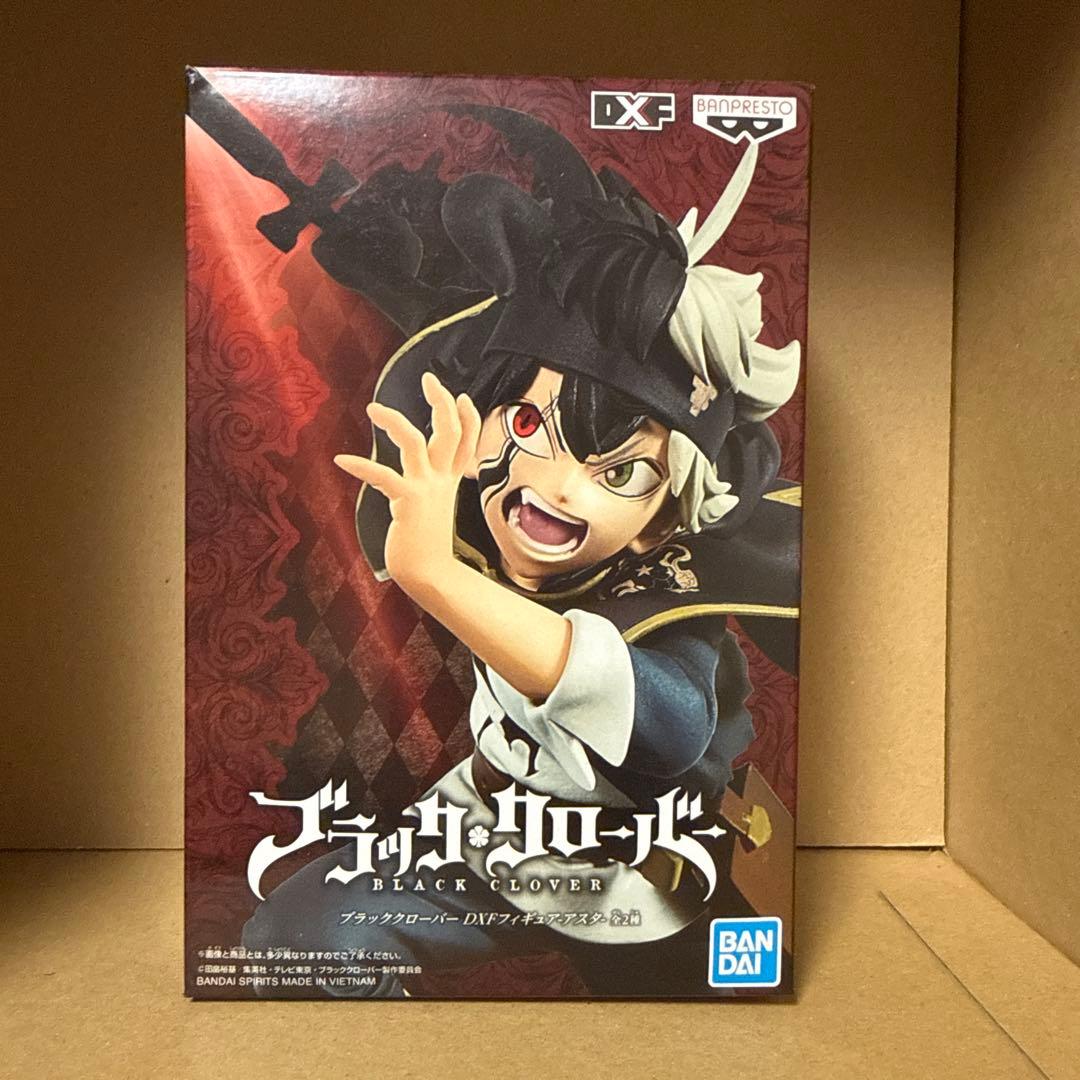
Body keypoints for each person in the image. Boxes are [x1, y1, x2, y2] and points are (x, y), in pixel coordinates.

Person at [243, 103, 802, 997]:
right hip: (484, 839)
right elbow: (471, 337)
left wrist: (436, 576)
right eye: (534, 428)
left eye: (621, 474)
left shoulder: (669, 597)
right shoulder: (482, 505)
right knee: (298, 935)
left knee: (719, 1014)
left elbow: (667, 729)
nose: (557, 487)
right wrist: (376, 261)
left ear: (663, 517)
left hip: (643, 883)